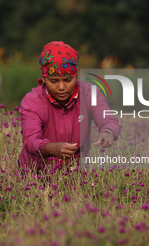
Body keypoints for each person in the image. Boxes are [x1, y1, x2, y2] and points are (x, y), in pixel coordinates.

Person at [18, 41, 121, 172]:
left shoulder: (90, 94)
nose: (61, 87)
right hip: (36, 172)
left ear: (76, 76)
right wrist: (50, 148)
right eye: (53, 81)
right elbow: (31, 139)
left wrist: (108, 132)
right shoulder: (32, 101)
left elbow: (109, 120)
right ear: (43, 78)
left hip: (75, 173)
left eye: (67, 80)